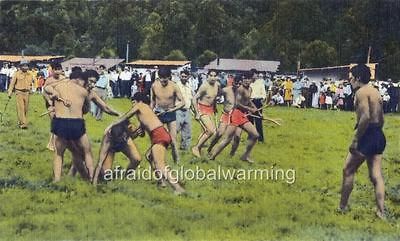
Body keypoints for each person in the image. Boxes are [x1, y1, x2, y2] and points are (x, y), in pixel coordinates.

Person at [108, 92, 185, 194]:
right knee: (149, 156)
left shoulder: (140, 105)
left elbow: (126, 116)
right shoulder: (146, 111)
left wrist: (112, 124)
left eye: (133, 102)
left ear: (137, 101)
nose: (132, 105)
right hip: (160, 134)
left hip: (159, 135)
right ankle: (161, 182)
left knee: (160, 164)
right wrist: (139, 131)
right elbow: (143, 133)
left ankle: (178, 188)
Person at [338, 64, 386, 219]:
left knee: (348, 170)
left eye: (351, 75)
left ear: (358, 77)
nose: (349, 78)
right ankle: (381, 212)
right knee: (376, 176)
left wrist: (356, 139)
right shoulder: (375, 91)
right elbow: (382, 117)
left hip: (366, 134)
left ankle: (342, 208)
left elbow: (365, 117)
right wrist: (376, 133)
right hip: (378, 134)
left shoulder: (360, 92)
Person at [209, 71, 260, 163]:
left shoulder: (250, 89)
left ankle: (245, 156)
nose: (246, 81)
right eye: (245, 79)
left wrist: (256, 110)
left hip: (242, 115)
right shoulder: (240, 89)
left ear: (251, 80)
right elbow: (237, 104)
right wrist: (249, 109)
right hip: (235, 114)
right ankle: (212, 157)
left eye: (248, 79)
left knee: (255, 135)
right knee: (227, 139)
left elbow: (248, 101)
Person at [150, 67, 185, 163]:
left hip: (170, 113)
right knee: (157, 139)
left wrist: (172, 110)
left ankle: (176, 161)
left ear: (169, 77)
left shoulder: (174, 86)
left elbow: (183, 102)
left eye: (165, 78)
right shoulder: (154, 85)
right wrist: (150, 112)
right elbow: (152, 101)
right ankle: (153, 159)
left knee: (173, 140)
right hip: (158, 113)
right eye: (161, 78)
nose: (163, 80)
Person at [207, 75, 242, 156]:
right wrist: (214, 107)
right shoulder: (226, 90)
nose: (237, 85)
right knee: (219, 133)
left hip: (237, 116)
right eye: (236, 83)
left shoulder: (242, 92)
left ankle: (231, 155)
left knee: (237, 137)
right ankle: (210, 148)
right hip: (226, 115)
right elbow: (215, 96)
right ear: (232, 83)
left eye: (239, 84)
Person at [191, 70, 220, 158]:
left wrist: (215, 107)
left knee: (212, 132)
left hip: (210, 109)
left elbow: (214, 98)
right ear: (207, 76)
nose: (213, 78)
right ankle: (196, 148)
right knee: (210, 131)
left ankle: (200, 149)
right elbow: (194, 99)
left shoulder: (217, 85)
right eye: (211, 75)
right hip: (201, 109)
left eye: (215, 76)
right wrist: (197, 113)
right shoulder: (204, 86)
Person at [7, 60, 34, 129]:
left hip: (27, 93)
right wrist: (10, 92)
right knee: (21, 108)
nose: (25, 67)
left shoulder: (30, 74)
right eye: (24, 66)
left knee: (25, 109)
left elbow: (31, 83)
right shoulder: (16, 74)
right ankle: (24, 124)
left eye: (27, 66)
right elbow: (12, 84)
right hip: (19, 92)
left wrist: (31, 89)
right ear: (21, 67)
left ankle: (20, 121)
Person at [176, 70, 193, 151]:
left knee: (187, 130)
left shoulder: (189, 86)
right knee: (175, 130)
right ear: (180, 76)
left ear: (188, 77)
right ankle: (168, 144)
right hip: (178, 111)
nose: (183, 78)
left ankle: (185, 148)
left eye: (185, 77)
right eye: (182, 76)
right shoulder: (176, 86)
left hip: (187, 110)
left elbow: (192, 99)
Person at [249, 72, 267, 142]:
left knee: (258, 121)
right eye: (253, 75)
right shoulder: (249, 83)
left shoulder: (260, 83)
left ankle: (260, 139)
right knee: (250, 121)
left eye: (256, 75)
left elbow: (264, 94)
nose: (255, 76)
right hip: (250, 102)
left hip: (258, 102)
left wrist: (262, 99)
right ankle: (251, 137)